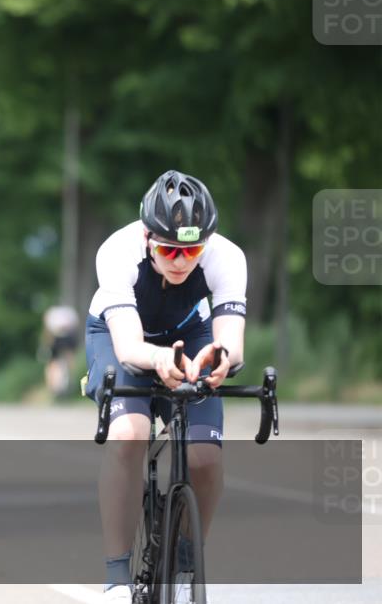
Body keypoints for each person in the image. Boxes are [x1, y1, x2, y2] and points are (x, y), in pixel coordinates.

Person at [82, 170, 246, 603]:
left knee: (205, 457)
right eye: (169, 249)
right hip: (118, 335)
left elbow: (231, 341)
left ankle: (187, 564)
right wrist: (159, 360)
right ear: (147, 236)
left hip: (190, 332)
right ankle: (117, 577)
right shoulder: (117, 251)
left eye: (192, 250)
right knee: (129, 434)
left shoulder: (227, 256)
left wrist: (219, 358)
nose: (181, 261)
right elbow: (130, 346)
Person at [40, 304, 79, 398]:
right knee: (66, 359)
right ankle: (67, 379)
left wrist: (46, 343)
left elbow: (47, 329)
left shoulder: (52, 312)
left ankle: (55, 384)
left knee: (54, 361)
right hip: (64, 337)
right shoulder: (69, 311)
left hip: (58, 337)